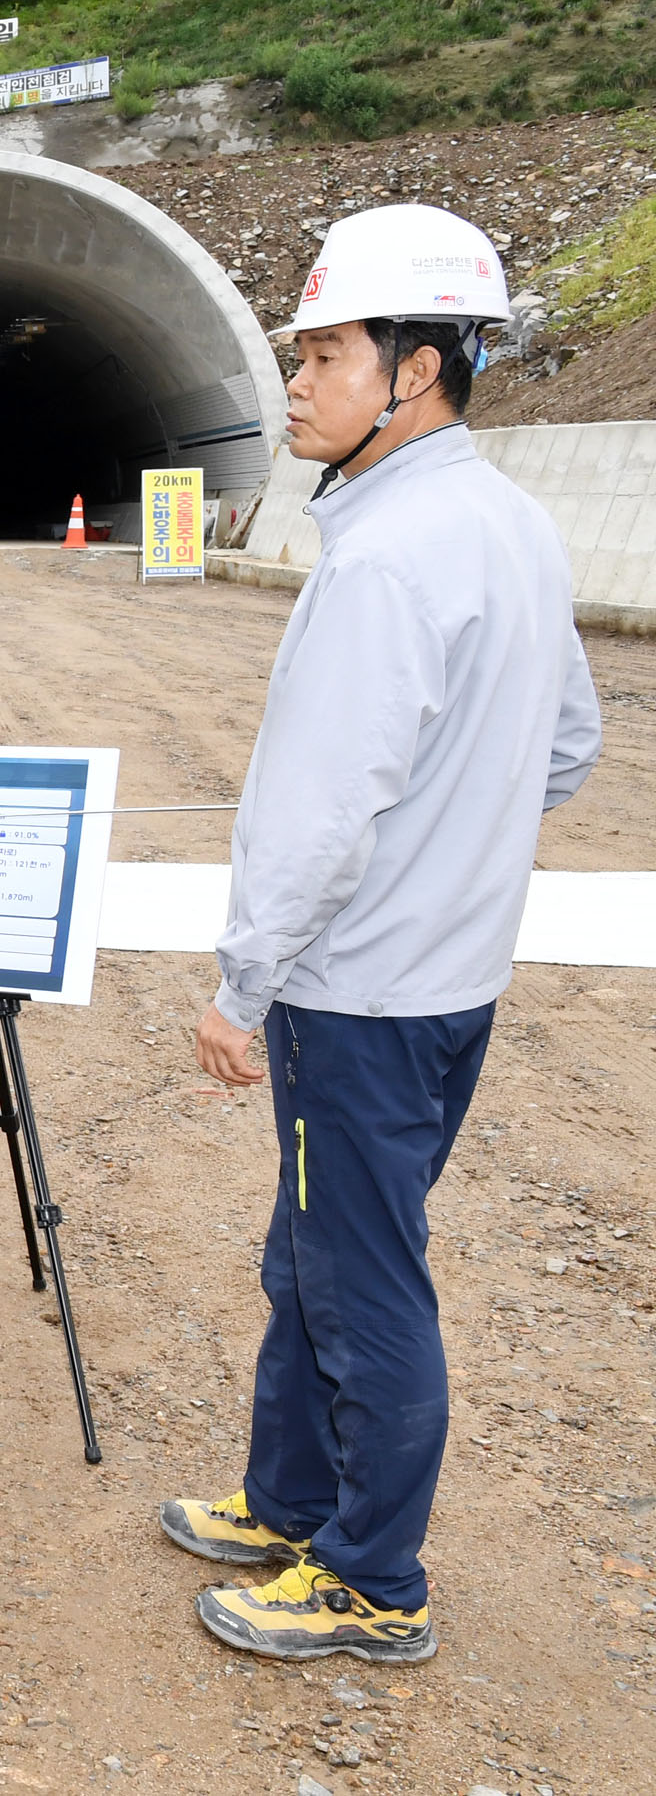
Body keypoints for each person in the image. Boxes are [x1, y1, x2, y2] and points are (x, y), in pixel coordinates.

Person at [171, 204, 600, 1666]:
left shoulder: (384, 560)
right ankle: (290, 1499)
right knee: (318, 1252)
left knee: (359, 1278)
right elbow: (567, 745)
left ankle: (371, 1577)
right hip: (452, 983)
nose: (296, 380)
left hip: (357, 1000)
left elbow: (315, 815)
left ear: (418, 369)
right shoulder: (512, 527)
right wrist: (460, 853)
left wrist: (245, 983)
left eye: (327, 352)